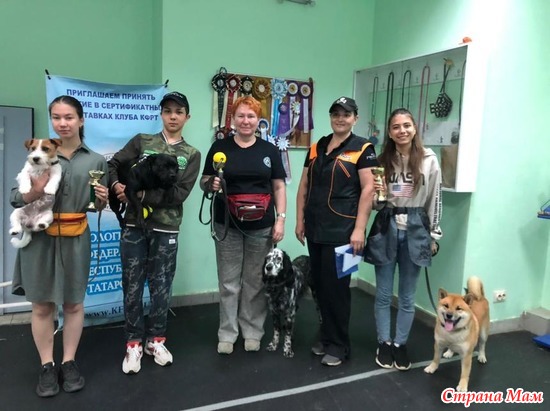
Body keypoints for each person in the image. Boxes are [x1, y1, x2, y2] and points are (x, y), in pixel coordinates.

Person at [10, 95, 109, 397]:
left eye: (69, 117)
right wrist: (34, 193)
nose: (62, 123)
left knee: (74, 303)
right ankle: (46, 365)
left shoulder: (96, 161)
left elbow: (95, 205)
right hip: (39, 239)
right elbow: (15, 196)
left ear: (81, 120)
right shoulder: (39, 153)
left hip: (75, 237)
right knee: (42, 304)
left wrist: (101, 201)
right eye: (56, 117)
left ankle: (69, 361)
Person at [108, 91, 201, 374]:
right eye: (168, 111)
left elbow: (179, 194)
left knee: (162, 286)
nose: (173, 116)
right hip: (134, 226)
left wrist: (140, 194)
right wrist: (117, 186)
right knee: (132, 285)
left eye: (179, 112)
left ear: (187, 117)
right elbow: (113, 165)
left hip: (166, 228)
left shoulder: (192, 154)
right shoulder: (142, 141)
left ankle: (156, 340)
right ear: (161, 114)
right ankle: (133, 343)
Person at [200, 96, 286, 355]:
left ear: (258, 120)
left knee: (255, 281)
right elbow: (205, 181)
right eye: (241, 116)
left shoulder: (269, 150)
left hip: (262, 226)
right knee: (228, 282)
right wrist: (211, 184)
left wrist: (281, 219)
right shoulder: (220, 147)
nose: (246, 121)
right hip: (227, 224)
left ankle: (252, 331)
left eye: (251, 116)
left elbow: (278, 186)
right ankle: (227, 333)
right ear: (233, 119)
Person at [295, 96, 377, 366]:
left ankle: (340, 345)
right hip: (316, 230)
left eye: (346, 114)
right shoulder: (317, 146)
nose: (340, 119)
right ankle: (326, 335)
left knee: (338, 290)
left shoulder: (363, 148)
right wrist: (300, 220)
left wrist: (360, 229)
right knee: (320, 287)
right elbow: (304, 185)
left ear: (355, 118)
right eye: (336, 114)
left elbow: (369, 189)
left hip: (346, 233)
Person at [365, 107, 442, 371]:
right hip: (387, 227)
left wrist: (434, 235)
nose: (402, 131)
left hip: (416, 230)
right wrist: (377, 195)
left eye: (407, 125)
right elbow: (376, 204)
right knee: (384, 294)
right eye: (396, 127)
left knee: (408, 297)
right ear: (389, 132)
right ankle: (384, 343)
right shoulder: (381, 161)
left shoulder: (429, 160)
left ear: (414, 128)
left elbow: (435, 199)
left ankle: (400, 344)